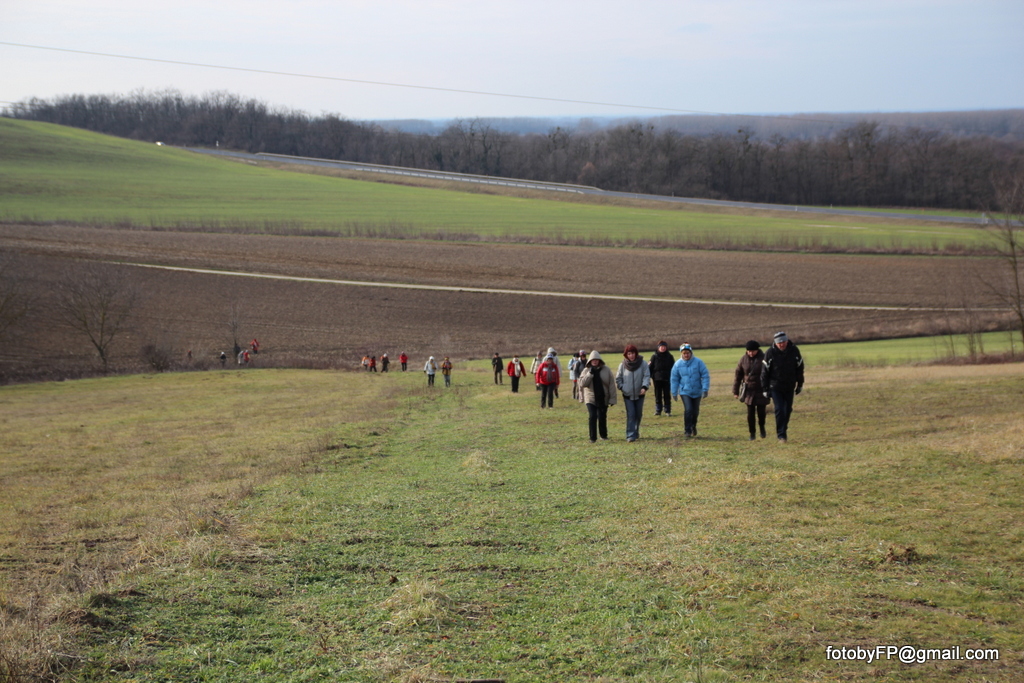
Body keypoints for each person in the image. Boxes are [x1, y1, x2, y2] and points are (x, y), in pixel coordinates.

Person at [761, 331, 805, 443]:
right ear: (775, 343)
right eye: (779, 343)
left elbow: (800, 368)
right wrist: (765, 388)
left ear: (787, 341)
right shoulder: (770, 353)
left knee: (788, 410)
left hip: (789, 386)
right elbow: (764, 372)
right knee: (780, 409)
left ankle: (783, 428)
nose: (781, 344)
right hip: (775, 386)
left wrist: (800, 384)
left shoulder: (794, 351)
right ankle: (781, 435)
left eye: (783, 342)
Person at [670, 343, 710, 438]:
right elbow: (674, 379)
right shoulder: (677, 364)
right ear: (681, 354)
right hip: (685, 391)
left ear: (691, 353)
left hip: (697, 391)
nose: (686, 355)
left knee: (695, 411)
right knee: (688, 410)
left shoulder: (699, 362)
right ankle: (687, 430)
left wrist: (705, 389)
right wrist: (674, 392)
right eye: (684, 353)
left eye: (688, 353)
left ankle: (693, 426)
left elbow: (705, 376)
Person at [733, 340, 770, 440]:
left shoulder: (764, 358)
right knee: (750, 414)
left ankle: (762, 428)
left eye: (753, 351)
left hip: (761, 389)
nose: (751, 353)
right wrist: (735, 391)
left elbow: (769, 373)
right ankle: (752, 433)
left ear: (757, 350)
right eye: (749, 351)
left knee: (761, 413)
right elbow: (738, 376)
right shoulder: (743, 359)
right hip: (749, 390)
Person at [577, 350, 617, 442]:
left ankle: (603, 435)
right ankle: (592, 438)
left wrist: (612, 399)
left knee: (602, 416)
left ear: (599, 360)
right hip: (590, 397)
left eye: (596, 359)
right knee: (592, 416)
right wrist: (590, 374)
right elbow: (582, 383)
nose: (595, 361)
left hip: (603, 397)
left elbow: (611, 385)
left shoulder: (606, 370)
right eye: (593, 360)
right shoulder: (586, 370)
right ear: (590, 361)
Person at [616, 344, 651, 442]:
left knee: (638, 414)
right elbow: (618, 378)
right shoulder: (622, 365)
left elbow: (646, 376)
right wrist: (622, 387)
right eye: (629, 354)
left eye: (633, 353)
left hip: (640, 394)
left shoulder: (643, 364)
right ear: (626, 355)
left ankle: (636, 430)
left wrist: (644, 387)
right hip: (628, 395)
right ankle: (630, 435)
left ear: (636, 353)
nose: (631, 356)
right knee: (631, 414)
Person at [648, 341, 675, 417]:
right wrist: (650, 377)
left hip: (667, 378)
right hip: (657, 379)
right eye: (661, 347)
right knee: (658, 395)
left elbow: (674, 368)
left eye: (664, 347)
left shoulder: (670, 357)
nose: (663, 348)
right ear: (658, 347)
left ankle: (667, 410)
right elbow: (650, 368)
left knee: (667, 395)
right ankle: (658, 410)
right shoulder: (654, 356)